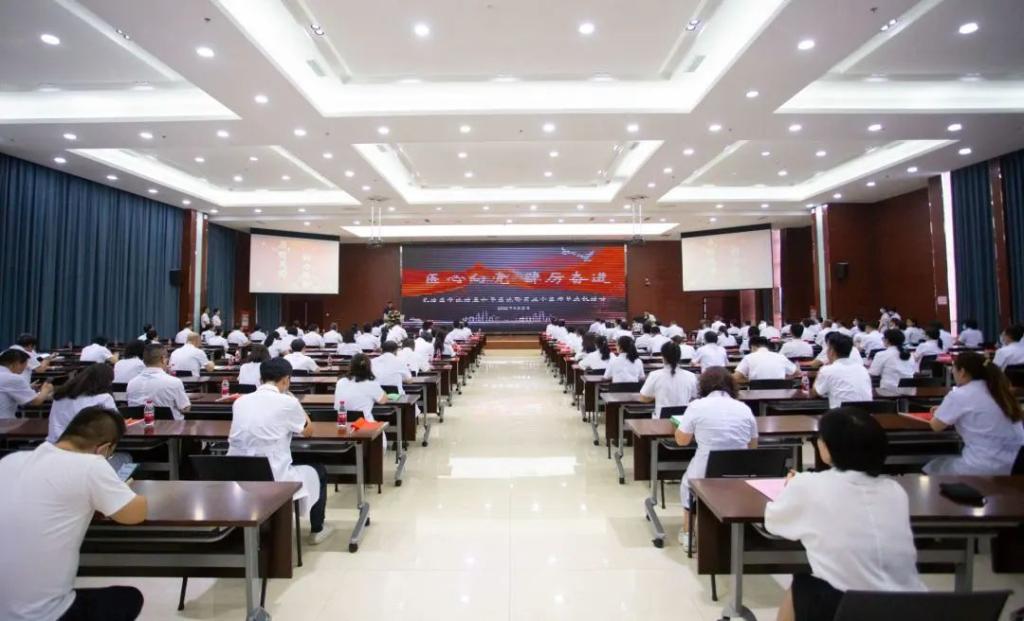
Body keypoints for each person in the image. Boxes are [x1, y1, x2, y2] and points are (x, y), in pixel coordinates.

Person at [765, 407, 925, 621]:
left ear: (829, 449)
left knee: (801, 585)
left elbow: (773, 522)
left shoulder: (808, 485)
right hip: (912, 606)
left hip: (850, 607)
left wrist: (793, 486)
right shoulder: (895, 490)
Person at [0, 407, 147, 621]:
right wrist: (122, 490)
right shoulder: (91, 465)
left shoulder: (10, 460)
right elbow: (135, 513)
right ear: (103, 449)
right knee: (129, 598)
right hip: (43, 615)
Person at [228, 358, 332, 545]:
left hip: (236, 472)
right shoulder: (288, 402)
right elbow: (308, 431)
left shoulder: (240, 402)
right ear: (285, 380)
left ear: (261, 379)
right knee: (319, 471)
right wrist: (295, 402)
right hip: (272, 475)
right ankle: (318, 528)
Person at [673, 368, 758, 550]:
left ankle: (689, 534)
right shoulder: (744, 408)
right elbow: (753, 446)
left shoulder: (697, 406)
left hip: (706, 470)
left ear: (703, 386)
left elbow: (681, 441)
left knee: (687, 485)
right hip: (741, 471)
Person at [924, 352, 1024, 475]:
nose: (952, 372)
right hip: (1016, 465)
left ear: (962, 371)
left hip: (982, 467)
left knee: (932, 466)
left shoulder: (960, 394)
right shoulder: (1000, 391)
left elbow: (936, 426)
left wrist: (941, 412)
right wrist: (945, 409)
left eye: (954, 368)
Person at [47, 363, 117, 443]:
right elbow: (114, 426)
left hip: (55, 444)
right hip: (83, 447)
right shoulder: (104, 398)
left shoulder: (60, 395)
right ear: (107, 382)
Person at [126, 344, 190, 420]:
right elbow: (185, 409)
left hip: (139, 426)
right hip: (170, 426)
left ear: (144, 361)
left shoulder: (131, 383)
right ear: (163, 359)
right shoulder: (174, 382)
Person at [638, 342, 698, 418]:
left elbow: (643, 398)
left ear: (663, 357)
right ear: (679, 357)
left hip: (661, 420)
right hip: (683, 420)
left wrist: (658, 396)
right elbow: (694, 397)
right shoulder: (691, 376)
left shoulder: (655, 375)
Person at [812, 334, 872, 408]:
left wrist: (819, 373)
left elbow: (815, 393)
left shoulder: (827, 370)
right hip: (866, 413)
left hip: (841, 413)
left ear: (831, 351)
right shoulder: (862, 369)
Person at [0, 348, 54, 419]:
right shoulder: (13, 378)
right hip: (4, 422)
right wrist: (46, 389)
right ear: (16, 363)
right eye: (25, 364)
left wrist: (28, 387)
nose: (25, 367)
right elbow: (36, 401)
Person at [334, 354, 389, 422]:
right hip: (363, 425)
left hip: (342, 423)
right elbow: (383, 400)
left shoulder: (341, 382)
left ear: (351, 366)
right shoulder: (371, 384)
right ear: (369, 367)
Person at [734, 336, 798, 383]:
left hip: (756, 394)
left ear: (753, 346)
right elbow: (797, 372)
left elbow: (735, 377)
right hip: (780, 394)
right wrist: (783, 379)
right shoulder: (781, 357)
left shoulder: (748, 357)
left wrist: (750, 380)